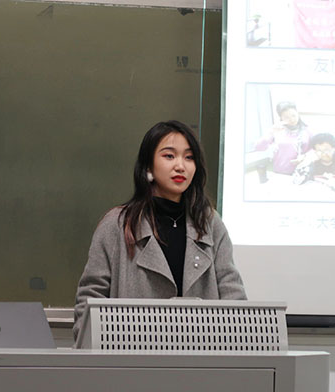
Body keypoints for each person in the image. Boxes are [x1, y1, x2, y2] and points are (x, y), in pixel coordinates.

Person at [73, 120, 246, 340]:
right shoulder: (117, 224)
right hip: (130, 353)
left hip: (201, 353)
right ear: (148, 166)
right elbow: (90, 299)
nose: (180, 166)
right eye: (169, 156)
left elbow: (233, 295)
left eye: (189, 157)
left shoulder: (209, 223)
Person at [255, 101, 312, 175]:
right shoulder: (277, 130)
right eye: (286, 117)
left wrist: (304, 156)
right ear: (281, 118)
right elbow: (259, 147)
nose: (292, 119)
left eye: (294, 115)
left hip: (302, 172)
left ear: (298, 114)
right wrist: (270, 132)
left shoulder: (307, 131)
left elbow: (314, 150)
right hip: (281, 171)